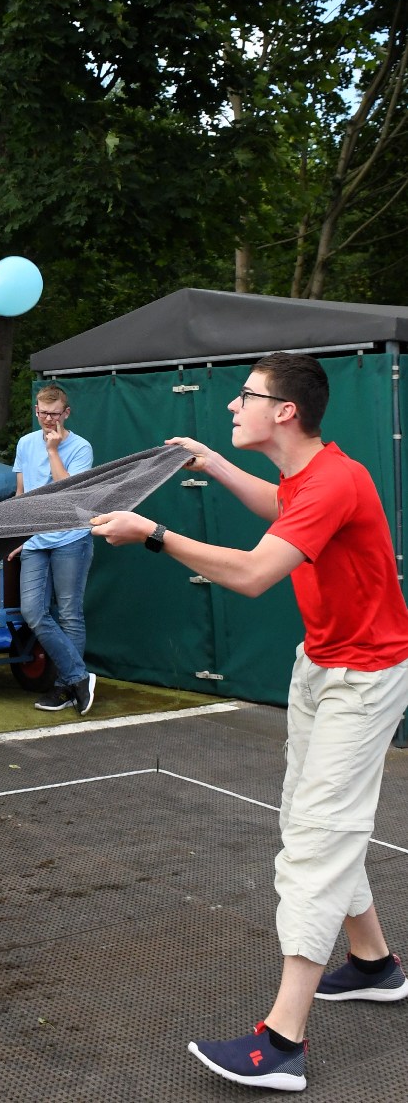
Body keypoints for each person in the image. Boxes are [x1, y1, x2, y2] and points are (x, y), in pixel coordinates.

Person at [90, 353, 408, 1093]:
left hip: (362, 681)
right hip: (322, 665)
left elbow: (255, 573)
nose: (234, 407)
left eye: (245, 396)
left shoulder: (334, 480)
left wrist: (155, 535)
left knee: (317, 841)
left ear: (285, 411)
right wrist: (209, 462)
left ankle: (282, 1043)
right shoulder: (314, 477)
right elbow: (281, 507)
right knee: (313, 819)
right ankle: (375, 964)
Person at [11, 385, 96, 715]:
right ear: (36, 411)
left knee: (70, 613)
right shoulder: (23, 444)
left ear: (66, 413)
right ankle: (79, 677)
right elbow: (21, 495)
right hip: (34, 540)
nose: (48, 420)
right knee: (32, 611)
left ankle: (64, 689)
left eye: (55, 414)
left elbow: (70, 496)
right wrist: (15, 536)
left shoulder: (81, 447)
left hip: (71, 539)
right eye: (43, 414)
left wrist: (53, 450)